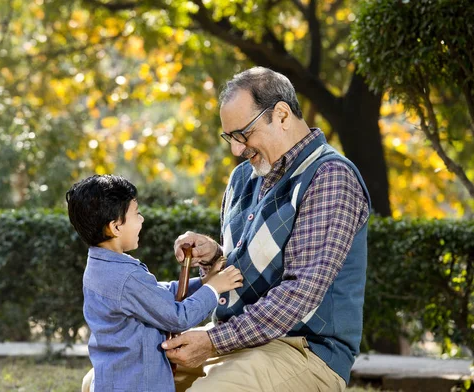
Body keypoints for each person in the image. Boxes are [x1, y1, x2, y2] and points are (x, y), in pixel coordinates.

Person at [162, 67, 371, 392]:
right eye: (230, 137)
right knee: (111, 382)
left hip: (305, 351)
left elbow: (299, 293)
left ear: (282, 114)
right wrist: (214, 256)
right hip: (236, 347)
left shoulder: (330, 177)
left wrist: (212, 341)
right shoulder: (242, 178)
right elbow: (243, 274)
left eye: (243, 134)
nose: (236, 149)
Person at [66, 174, 243, 392]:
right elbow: (178, 317)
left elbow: (157, 295)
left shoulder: (101, 267)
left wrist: (205, 281)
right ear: (115, 227)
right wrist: (214, 288)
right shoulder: (125, 276)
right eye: (136, 213)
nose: (141, 219)